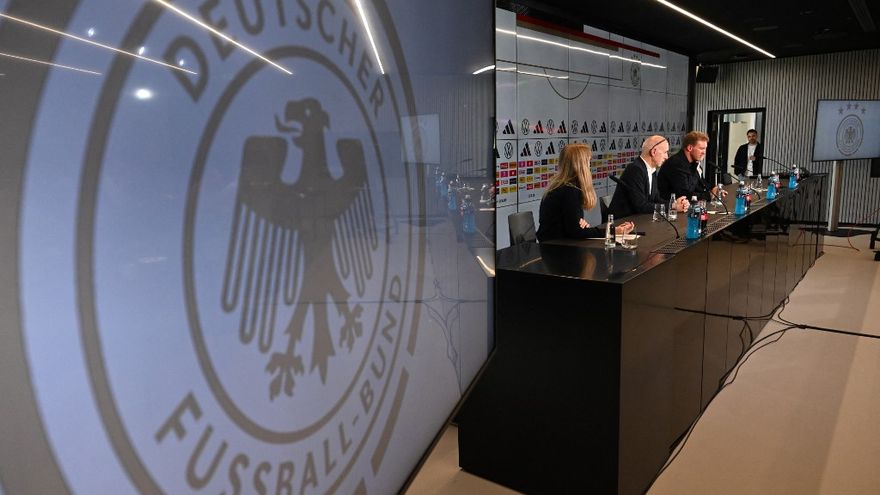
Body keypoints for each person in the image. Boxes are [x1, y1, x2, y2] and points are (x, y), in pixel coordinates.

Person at [536, 143, 634, 242]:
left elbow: (572, 226)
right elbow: (576, 232)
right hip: (556, 246)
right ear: (582, 165)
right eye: (588, 162)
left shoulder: (561, 185)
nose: (589, 166)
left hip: (555, 243)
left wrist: (579, 225)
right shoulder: (570, 190)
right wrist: (612, 231)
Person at [608, 135, 688, 218]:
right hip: (621, 221)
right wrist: (672, 206)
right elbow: (641, 206)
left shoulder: (651, 169)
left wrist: (674, 203)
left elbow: (656, 199)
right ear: (653, 152)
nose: (667, 157)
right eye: (665, 152)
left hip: (638, 219)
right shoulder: (635, 170)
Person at [657, 130, 726, 202]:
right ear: (690, 148)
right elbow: (684, 194)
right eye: (701, 148)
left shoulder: (693, 163)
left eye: (705, 148)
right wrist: (709, 195)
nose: (704, 152)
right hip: (669, 207)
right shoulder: (676, 164)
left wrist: (715, 191)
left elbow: (700, 187)